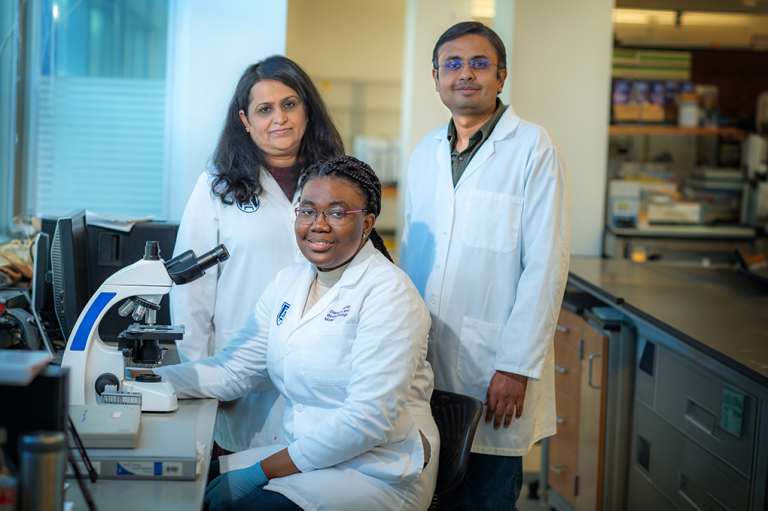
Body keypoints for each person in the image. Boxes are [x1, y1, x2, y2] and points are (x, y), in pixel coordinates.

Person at [151, 156, 438, 511]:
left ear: (366, 223)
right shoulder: (290, 281)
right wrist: (149, 380)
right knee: (186, 483)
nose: (318, 225)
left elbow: (368, 421)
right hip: (314, 452)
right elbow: (233, 369)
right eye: (307, 211)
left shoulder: (389, 293)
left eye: (336, 213)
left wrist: (260, 472)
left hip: (380, 468)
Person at [400, 21, 570, 511]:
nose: (465, 74)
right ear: (435, 77)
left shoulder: (534, 148)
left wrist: (516, 366)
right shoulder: (425, 153)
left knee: (486, 495)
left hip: (494, 366)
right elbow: (413, 257)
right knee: (429, 491)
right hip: (425, 362)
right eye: (452, 64)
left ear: (501, 76)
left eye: (479, 63)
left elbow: (546, 264)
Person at [170, 56, 345, 458]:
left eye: (289, 104)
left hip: (320, 369)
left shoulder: (338, 182)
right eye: (264, 109)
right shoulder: (215, 186)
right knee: (237, 483)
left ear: (307, 110)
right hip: (239, 370)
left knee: (308, 477)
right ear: (245, 120)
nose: (278, 119)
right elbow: (190, 293)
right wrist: (201, 377)